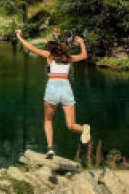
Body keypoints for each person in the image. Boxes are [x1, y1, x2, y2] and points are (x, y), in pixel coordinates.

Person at [14, 28, 91, 159]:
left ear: (49, 49)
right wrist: (82, 43)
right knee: (71, 125)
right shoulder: (69, 58)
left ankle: (50, 149)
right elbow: (84, 56)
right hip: (66, 90)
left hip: (53, 89)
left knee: (48, 120)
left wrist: (19, 36)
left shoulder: (49, 56)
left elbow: (30, 47)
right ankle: (84, 129)